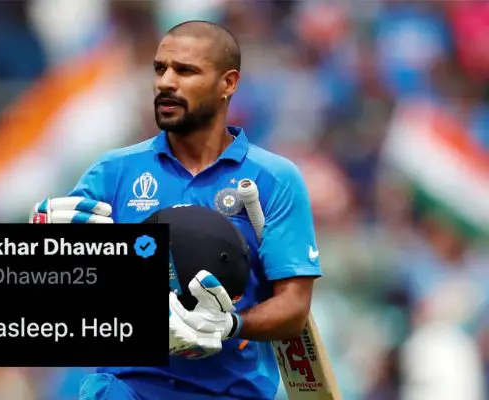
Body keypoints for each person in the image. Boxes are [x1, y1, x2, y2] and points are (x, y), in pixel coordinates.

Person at [31, 20, 322, 400]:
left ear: (228, 83)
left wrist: (227, 325)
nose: (166, 82)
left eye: (185, 71)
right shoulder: (113, 171)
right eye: (160, 69)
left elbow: (294, 307)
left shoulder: (273, 178)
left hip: (232, 393)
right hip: (127, 388)